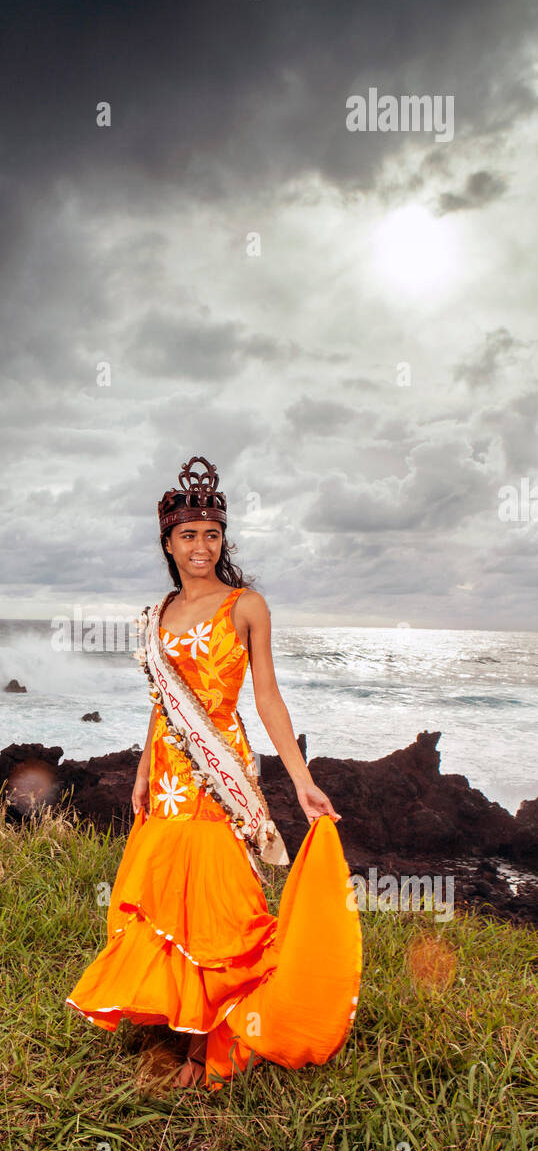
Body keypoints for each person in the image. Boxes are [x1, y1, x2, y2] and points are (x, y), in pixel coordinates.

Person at [66, 457, 362, 1090]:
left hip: (220, 774)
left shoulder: (246, 605)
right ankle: (169, 1024)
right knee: (164, 900)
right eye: (188, 536)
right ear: (168, 544)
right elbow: (162, 705)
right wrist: (144, 769)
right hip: (170, 774)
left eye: (212, 534)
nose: (202, 547)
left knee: (220, 905)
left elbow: (268, 700)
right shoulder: (160, 611)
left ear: (223, 540)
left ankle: (209, 1042)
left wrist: (301, 778)